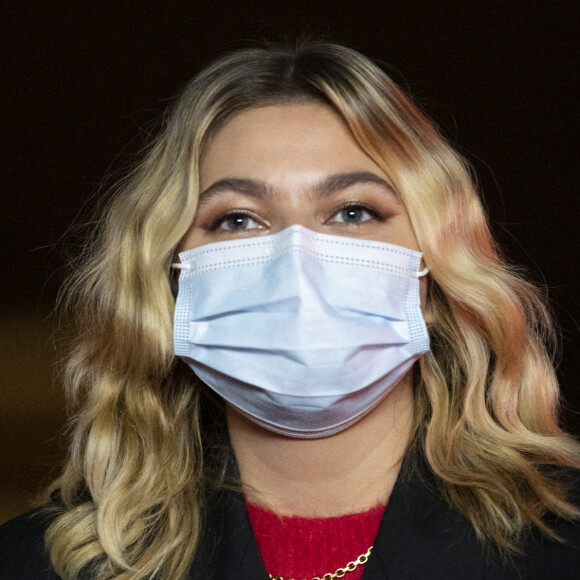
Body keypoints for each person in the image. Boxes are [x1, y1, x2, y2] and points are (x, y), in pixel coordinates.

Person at [1, 39, 579, 580]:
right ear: (169, 277)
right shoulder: (39, 563)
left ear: (435, 269)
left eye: (353, 211)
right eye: (237, 219)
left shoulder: (563, 544)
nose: (295, 262)